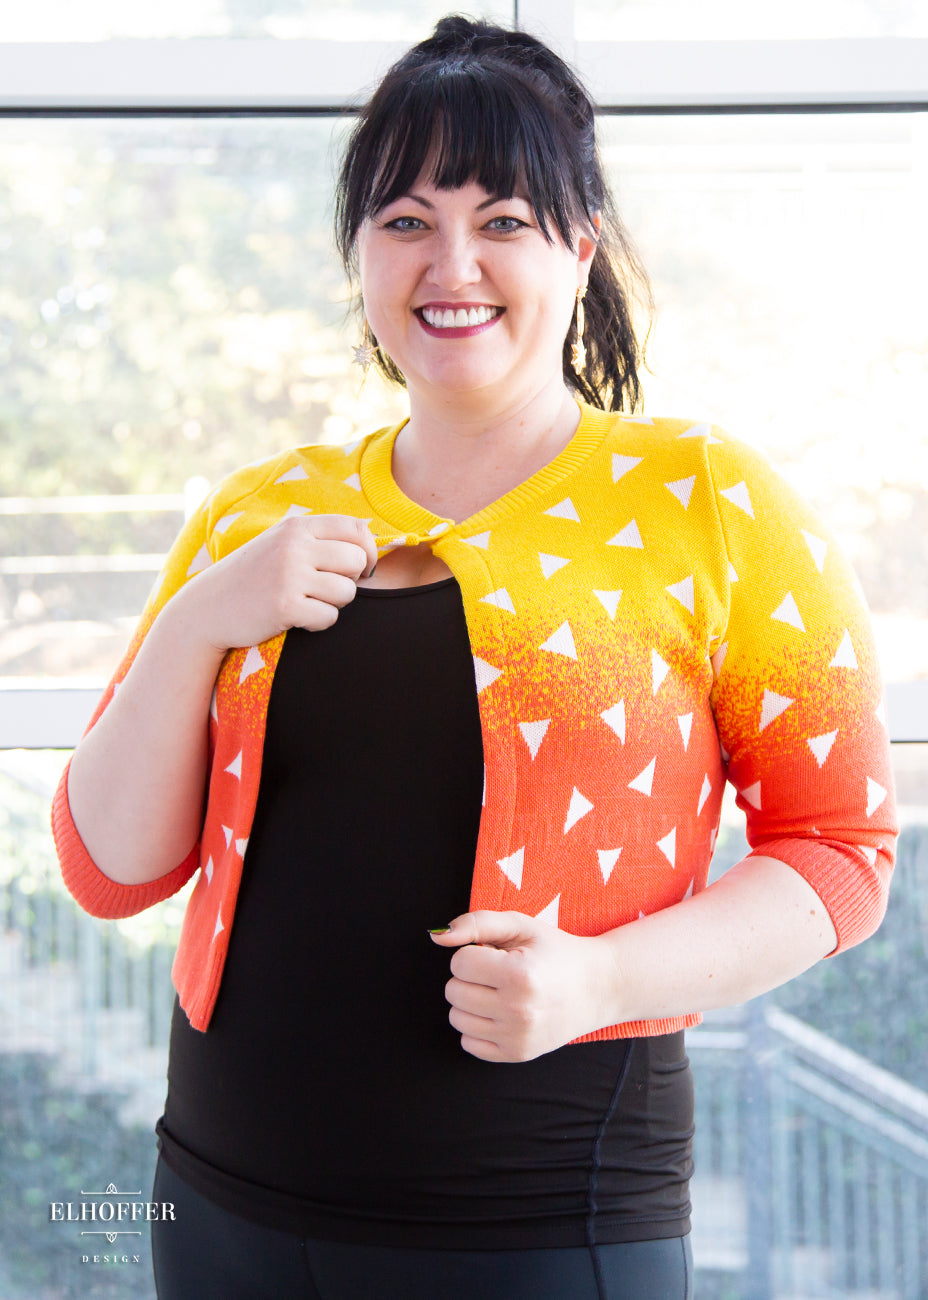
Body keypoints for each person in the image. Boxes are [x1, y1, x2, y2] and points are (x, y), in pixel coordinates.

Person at [52, 15, 897, 1300]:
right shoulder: (255, 510)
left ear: (578, 247)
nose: (452, 262)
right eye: (404, 219)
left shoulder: (703, 498)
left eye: (502, 217)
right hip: (216, 1204)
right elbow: (109, 868)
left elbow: (839, 853)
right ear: (359, 255)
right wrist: (196, 622)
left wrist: (603, 975)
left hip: (540, 1225)